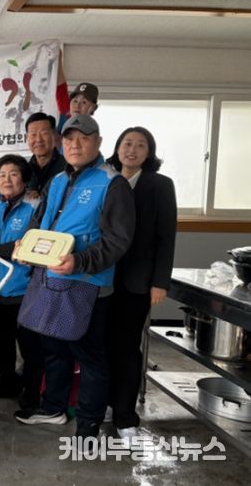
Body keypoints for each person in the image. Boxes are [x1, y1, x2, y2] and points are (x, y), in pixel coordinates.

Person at [14, 114, 135, 443]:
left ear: (98, 142)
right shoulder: (57, 180)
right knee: (53, 346)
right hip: (50, 277)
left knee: (89, 354)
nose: (75, 145)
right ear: (61, 143)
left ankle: (89, 424)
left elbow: (118, 240)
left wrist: (80, 261)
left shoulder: (113, 183)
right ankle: (53, 408)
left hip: (87, 284)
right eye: (69, 139)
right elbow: (40, 222)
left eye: (84, 138)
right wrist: (25, 245)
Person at [105, 127, 177, 440]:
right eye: (127, 143)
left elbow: (166, 237)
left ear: (149, 152)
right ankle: (106, 403)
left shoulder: (159, 185)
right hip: (102, 277)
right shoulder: (105, 180)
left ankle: (125, 416)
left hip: (137, 281)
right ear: (117, 147)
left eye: (140, 145)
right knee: (102, 345)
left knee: (126, 347)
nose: (132, 150)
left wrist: (160, 282)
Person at [0, 155, 40, 402]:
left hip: (25, 288)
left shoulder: (35, 206)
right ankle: (8, 383)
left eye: (13, 174)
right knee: (2, 341)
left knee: (30, 345)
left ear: (24, 179)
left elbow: (33, 244)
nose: (7, 179)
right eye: (2, 175)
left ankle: (33, 393)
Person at [24, 112, 66, 196]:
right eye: (33, 135)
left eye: (44, 133)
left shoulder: (67, 167)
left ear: (54, 135)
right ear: (26, 138)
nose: (38, 140)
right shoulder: (23, 170)